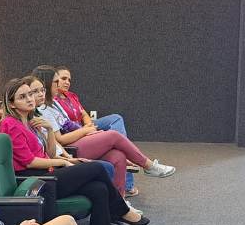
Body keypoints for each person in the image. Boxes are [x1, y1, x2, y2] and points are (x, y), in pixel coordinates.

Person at [0, 77, 147, 225]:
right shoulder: (10, 124)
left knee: (98, 189)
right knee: (97, 168)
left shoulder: (32, 121)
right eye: (22, 97)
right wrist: (63, 164)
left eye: (30, 94)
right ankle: (121, 209)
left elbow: (48, 153)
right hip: (38, 180)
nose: (29, 99)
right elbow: (29, 162)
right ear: (11, 103)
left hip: (49, 172)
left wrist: (48, 131)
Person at [33, 66, 174, 197]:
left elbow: (71, 123)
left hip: (79, 139)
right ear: (47, 84)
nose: (60, 85)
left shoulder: (55, 103)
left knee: (118, 155)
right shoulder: (43, 110)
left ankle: (121, 203)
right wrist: (86, 131)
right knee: (113, 135)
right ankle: (149, 166)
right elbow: (61, 139)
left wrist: (90, 131)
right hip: (70, 148)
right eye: (56, 82)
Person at [52, 65, 140, 196]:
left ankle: (124, 158)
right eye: (63, 79)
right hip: (76, 134)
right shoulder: (54, 102)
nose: (67, 82)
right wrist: (86, 131)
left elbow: (84, 114)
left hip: (84, 127)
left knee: (116, 119)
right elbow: (63, 132)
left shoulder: (71, 96)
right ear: (54, 80)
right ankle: (132, 176)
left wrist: (90, 127)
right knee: (115, 140)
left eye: (69, 80)